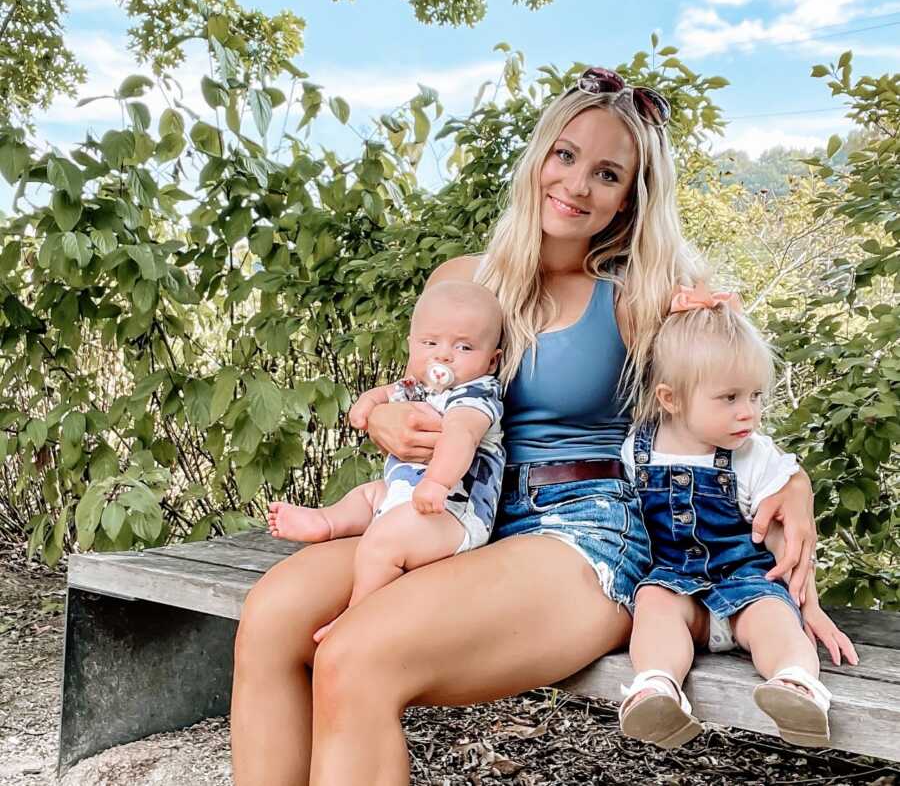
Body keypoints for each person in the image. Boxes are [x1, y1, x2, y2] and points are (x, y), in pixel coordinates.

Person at [230, 66, 820, 786]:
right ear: (539, 155)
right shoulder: (465, 278)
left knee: (355, 657)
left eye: (608, 173)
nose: (576, 184)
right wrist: (381, 413)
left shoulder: (637, 296)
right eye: (566, 155)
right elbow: (421, 386)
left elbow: (726, 391)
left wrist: (792, 478)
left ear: (630, 198)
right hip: (460, 512)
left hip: (583, 530)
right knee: (269, 616)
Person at [618, 287, 858, 749]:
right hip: (678, 590)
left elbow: (787, 547)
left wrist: (810, 607)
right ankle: (656, 687)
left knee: (774, 619)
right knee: (654, 603)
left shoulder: (753, 457)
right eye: (728, 397)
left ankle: (795, 684)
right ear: (670, 399)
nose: (748, 412)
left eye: (754, 395)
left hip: (747, 585)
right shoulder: (638, 448)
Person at [266, 281, 505, 642]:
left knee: (381, 543)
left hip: (453, 512)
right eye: (430, 343)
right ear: (412, 345)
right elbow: (386, 393)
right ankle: (327, 521)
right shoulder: (423, 385)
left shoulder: (477, 394)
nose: (443, 356)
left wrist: (437, 483)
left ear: (492, 360)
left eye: (464, 346)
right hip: (408, 496)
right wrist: (367, 405)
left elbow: (461, 437)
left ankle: (357, 613)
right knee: (369, 495)